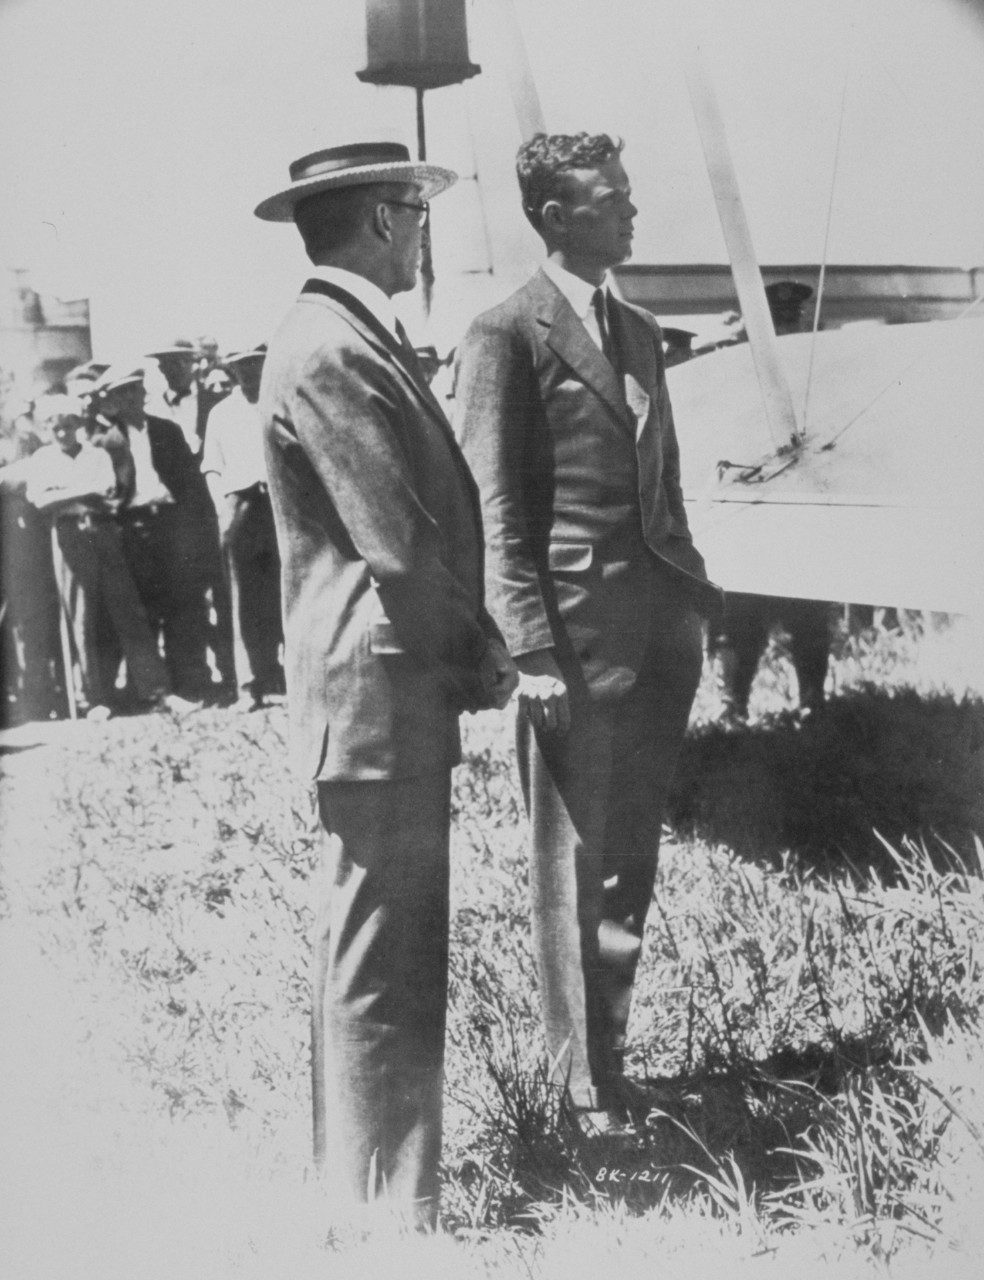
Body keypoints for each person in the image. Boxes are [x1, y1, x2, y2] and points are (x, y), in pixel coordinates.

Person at [254, 139, 517, 1226]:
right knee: (382, 965)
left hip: (379, 698)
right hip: (380, 694)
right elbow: (401, 543)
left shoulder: (343, 335)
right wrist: (483, 656)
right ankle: (382, 1215)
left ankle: (368, 1198)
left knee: (379, 957)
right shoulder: (332, 345)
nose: (425, 234)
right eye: (417, 213)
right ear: (379, 221)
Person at [455, 132, 721, 1136]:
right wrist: (526, 647)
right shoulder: (505, 334)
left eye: (628, 194)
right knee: (572, 866)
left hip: (657, 640)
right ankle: (578, 1090)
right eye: (611, 199)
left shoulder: (641, 327)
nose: (632, 211)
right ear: (556, 216)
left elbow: (669, 482)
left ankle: (611, 1067)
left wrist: (691, 593)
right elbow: (496, 504)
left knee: (629, 861)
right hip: (568, 650)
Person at [706, 280, 833, 723]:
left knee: (813, 616)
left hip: (805, 518)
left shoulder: (820, 374)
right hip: (753, 516)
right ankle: (731, 706)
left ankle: (812, 702)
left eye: (790, 322)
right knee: (739, 621)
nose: (786, 331)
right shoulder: (735, 373)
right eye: (776, 323)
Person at [20, 394, 172, 718]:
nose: (62, 433)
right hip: (69, 535)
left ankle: (154, 690)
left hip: (103, 533)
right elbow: (41, 503)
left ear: (78, 425)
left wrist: (63, 494)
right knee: (81, 617)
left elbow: (106, 494)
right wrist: (80, 493)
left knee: (127, 609)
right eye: (56, 427)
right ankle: (93, 698)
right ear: (48, 428)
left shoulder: (97, 455)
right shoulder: (42, 459)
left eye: (68, 425)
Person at [88, 366, 212, 706]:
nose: (134, 397)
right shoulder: (103, 442)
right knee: (138, 610)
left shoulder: (167, 431)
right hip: (130, 528)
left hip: (169, 526)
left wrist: (194, 528)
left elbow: (191, 486)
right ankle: (149, 691)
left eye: (137, 389)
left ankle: (189, 683)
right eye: (124, 392)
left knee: (182, 605)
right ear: (113, 400)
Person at [201, 344, 284, 708]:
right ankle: (249, 687)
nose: (250, 372)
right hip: (241, 505)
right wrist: (223, 500)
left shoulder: (280, 401)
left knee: (286, 593)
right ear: (232, 370)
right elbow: (211, 465)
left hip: (280, 506)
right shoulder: (221, 413)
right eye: (242, 366)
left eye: (256, 364)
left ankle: (289, 680)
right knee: (242, 599)